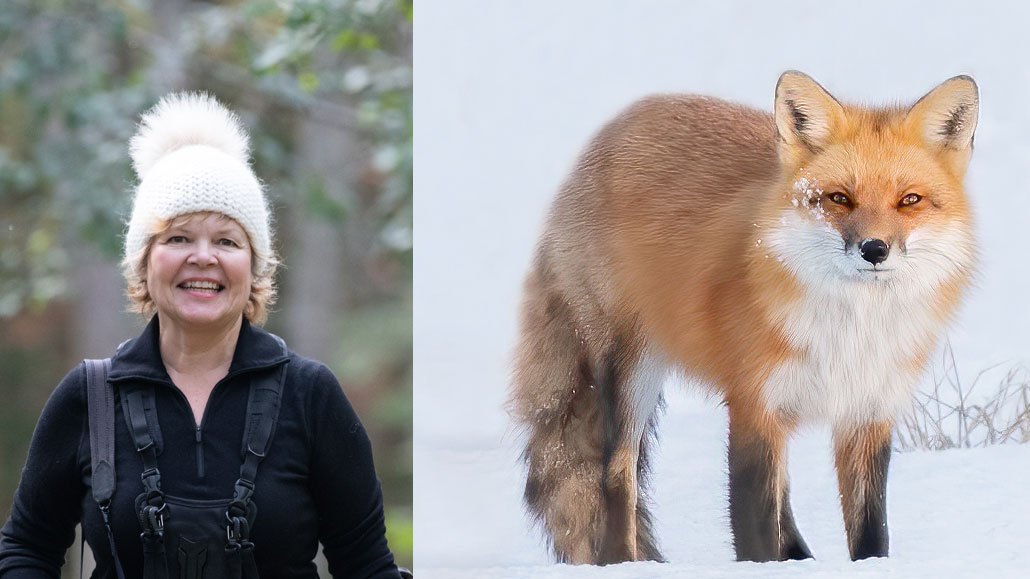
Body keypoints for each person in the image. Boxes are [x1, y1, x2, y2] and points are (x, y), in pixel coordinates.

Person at [0, 93, 404, 578]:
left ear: (254, 268)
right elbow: (26, 549)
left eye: (227, 241)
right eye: (178, 238)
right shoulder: (90, 399)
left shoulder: (311, 396)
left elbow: (367, 565)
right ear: (144, 262)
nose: (203, 257)